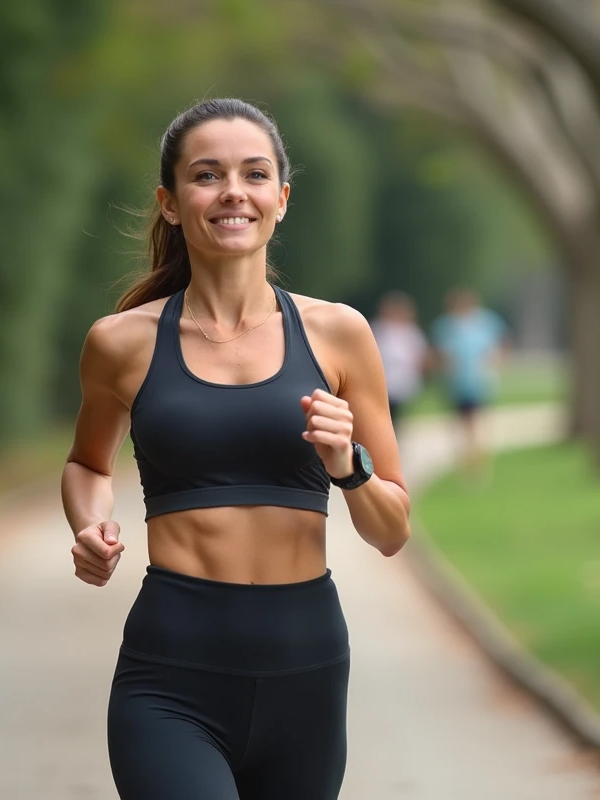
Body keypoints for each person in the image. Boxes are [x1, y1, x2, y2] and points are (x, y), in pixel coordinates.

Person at [60, 98, 411, 800]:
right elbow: (88, 464)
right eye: (207, 175)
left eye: (254, 174)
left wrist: (348, 468)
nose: (232, 192)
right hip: (171, 672)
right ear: (170, 202)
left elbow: (392, 530)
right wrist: (88, 524)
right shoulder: (121, 342)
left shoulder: (339, 335)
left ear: (280, 199)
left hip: (306, 671)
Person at [430, 286, 511, 479]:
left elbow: (502, 343)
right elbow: (438, 354)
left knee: (477, 424)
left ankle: (479, 464)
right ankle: (466, 463)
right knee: (461, 426)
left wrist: (497, 362)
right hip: (455, 384)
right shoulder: (446, 326)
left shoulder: (485, 322)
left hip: (479, 382)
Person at [370, 290, 428, 429]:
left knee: (395, 414)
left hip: (402, 381)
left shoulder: (410, 331)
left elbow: (419, 355)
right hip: (383, 379)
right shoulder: (378, 329)